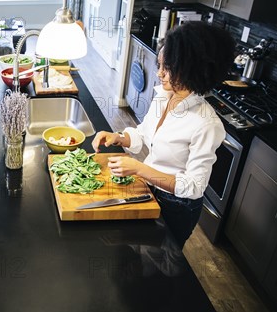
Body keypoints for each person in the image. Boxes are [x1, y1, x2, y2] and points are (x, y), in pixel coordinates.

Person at [91, 21, 235, 248]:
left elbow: (194, 187)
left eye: (167, 68)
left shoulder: (206, 124)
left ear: (191, 68)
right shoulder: (163, 96)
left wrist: (139, 169)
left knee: (164, 266)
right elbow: (144, 134)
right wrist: (119, 137)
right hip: (150, 189)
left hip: (177, 207)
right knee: (139, 251)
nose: (159, 74)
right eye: (159, 65)